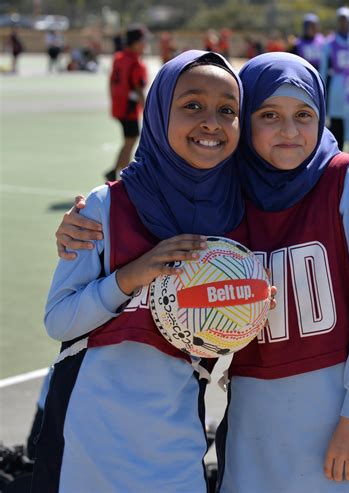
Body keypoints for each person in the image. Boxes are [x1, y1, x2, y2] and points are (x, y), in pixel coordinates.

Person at [55, 52, 349, 492]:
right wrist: (81, 229)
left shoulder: (344, 182)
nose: (288, 129)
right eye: (267, 114)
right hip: (250, 418)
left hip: (337, 417)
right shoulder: (226, 198)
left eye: (304, 114)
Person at [31, 50, 249, 492]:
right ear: (156, 111)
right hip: (86, 436)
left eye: (227, 110)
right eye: (192, 105)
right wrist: (131, 276)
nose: (211, 121)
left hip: (176, 439)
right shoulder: (103, 207)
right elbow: (59, 320)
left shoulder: (238, 220)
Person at [103, 26, 148, 182]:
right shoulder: (136, 63)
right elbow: (139, 89)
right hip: (129, 109)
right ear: (134, 43)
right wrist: (148, 111)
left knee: (129, 140)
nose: (145, 44)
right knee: (130, 141)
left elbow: (110, 82)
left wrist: (114, 101)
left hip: (119, 106)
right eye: (142, 41)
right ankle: (123, 176)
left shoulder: (119, 58)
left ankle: (114, 170)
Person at [319, 6, 349, 149]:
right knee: (337, 128)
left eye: (345, 20)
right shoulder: (330, 43)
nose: (343, 24)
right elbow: (323, 70)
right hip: (337, 89)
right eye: (340, 20)